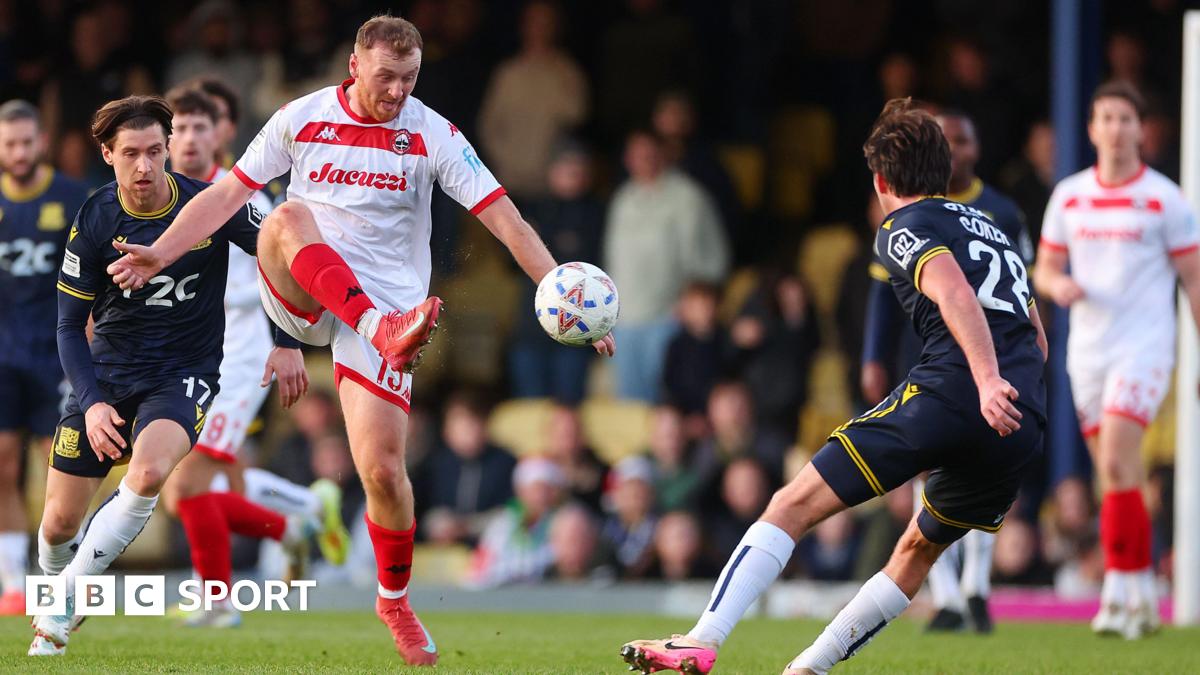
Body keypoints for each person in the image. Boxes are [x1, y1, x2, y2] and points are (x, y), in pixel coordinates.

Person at [106, 15, 613, 666]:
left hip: (388, 308)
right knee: (285, 213)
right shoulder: (301, 117)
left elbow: (507, 220)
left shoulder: (432, 133)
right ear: (353, 65)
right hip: (306, 288)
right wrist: (161, 251)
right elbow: (228, 195)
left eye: (409, 79)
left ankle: (394, 599)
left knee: (382, 472)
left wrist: (567, 298)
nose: (398, 91)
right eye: (386, 78)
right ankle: (377, 327)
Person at [620, 98, 1047, 675]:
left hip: (955, 394)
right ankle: (808, 669)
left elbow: (953, 293)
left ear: (880, 180)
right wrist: (1005, 385)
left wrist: (985, 379)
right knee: (917, 551)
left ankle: (703, 638)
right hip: (1022, 421)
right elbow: (1037, 336)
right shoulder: (994, 229)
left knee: (791, 504)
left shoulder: (903, 224)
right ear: (945, 169)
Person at [27, 96, 310, 656]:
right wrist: (92, 402)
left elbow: (280, 257)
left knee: (154, 471)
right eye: (130, 153)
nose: (145, 167)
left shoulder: (212, 204)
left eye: (155, 151)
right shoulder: (95, 219)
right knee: (59, 525)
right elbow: (67, 328)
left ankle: (65, 604)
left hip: (184, 373)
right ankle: (63, 588)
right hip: (106, 379)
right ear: (107, 155)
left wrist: (287, 341)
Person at [158, 86, 350, 628]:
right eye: (180, 128)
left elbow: (279, 274)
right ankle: (298, 518)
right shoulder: (161, 196)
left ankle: (218, 600)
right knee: (191, 491)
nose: (191, 138)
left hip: (238, 360)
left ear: (222, 133)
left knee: (190, 484)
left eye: (201, 127)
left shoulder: (243, 199)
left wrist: (285, 343)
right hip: (186, 358)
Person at [1033, 81, 1200, 640]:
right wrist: (1058, 286)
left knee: (1116, 462)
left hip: (1144, 347)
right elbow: (1045, 266)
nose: (1117, 128)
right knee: (1117, 476)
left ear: (1141, 128)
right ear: (1091, 128)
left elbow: (1194, 278)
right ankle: (1141, 590)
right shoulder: (1070, 196)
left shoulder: (1165, 197)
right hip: (1088, 353)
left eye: (1127, 118)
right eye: (1106, 117)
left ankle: (1116, 590)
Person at [863, 108, 1032, 634]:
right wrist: (872, 356)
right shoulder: (905, 217)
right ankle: (947, 596)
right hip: (925, 351)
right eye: (946, 140)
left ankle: (976, 587)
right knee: (925, 468)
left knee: (981, 468)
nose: (955, 150)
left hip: (989, 361)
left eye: (962, 140)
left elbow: (1024, 290)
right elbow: (880, 292)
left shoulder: (1001, 210)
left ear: (976, 149)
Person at [0, 100, 88, 615]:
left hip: (57, 353)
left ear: (42, 141)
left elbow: (92, 279)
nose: (18, 152)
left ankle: (64, 577)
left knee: (57, 466)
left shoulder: (71, 198)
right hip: (4, 356)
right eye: (9, 143)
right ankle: (13, 581)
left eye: (26, 141)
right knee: (3, 463)